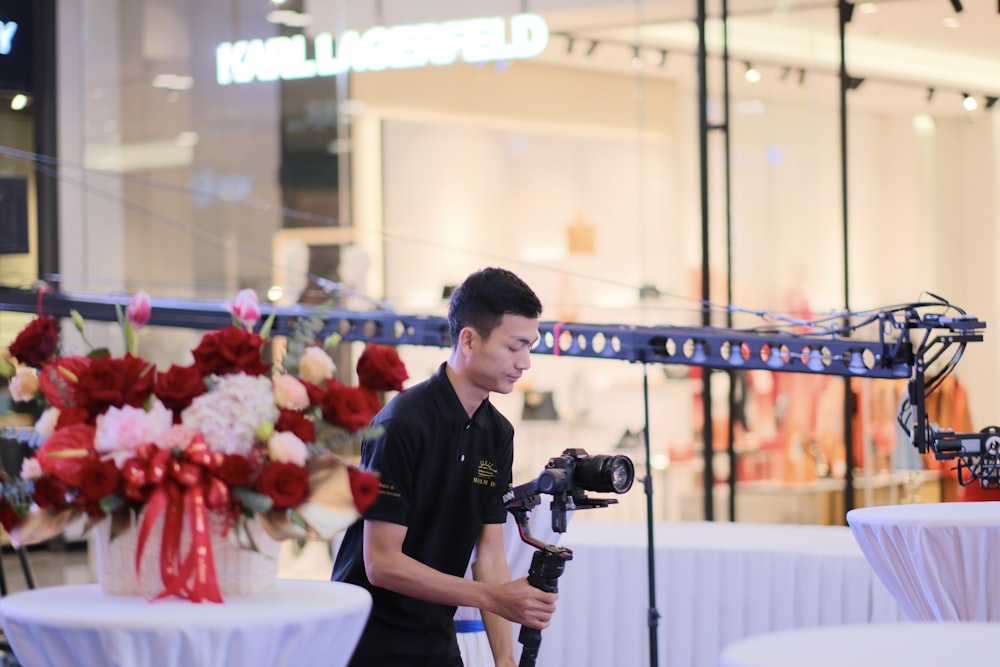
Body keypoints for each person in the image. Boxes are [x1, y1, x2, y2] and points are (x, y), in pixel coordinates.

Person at [332, 267, 558, 666]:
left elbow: (489, 555)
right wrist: (492, 596)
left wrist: (504, 659)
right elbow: (381, 563)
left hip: (436, 637)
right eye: (514, 347)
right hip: (368, 640)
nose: (524, 363)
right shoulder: (401, 422)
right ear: (469, 339)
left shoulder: (497, 433)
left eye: (530, 347)